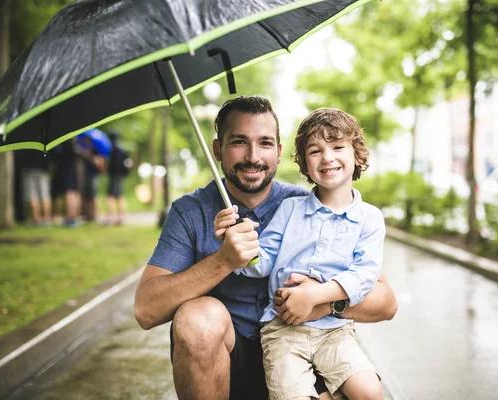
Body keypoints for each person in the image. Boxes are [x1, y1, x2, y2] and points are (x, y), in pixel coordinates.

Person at [134, 96, 398, 400]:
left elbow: (385, 301)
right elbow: (145, 310)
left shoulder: (310, 205)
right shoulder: (191, 211)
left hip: (309, 353)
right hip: (228, 361)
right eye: (238, 142)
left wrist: (319, 301)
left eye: (265, 143)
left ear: (280, 152)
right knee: (198, 317)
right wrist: (224, 260)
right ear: (218, 149)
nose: (253, 156)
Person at [214, 108, 384, 400]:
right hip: (283, 331)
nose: (327, 157)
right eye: (315, 150)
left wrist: (314, 296)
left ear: (357, 155)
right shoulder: (290, 208)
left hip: (335, 331)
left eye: (338, 147)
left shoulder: (369, 218)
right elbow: (263, 261)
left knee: (370, 392)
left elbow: (364, 275)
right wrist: (240, 248)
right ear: (305, 163)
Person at [19, 149, 52, 226]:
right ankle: (47, 219)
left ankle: (36, 219)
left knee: (33, 195)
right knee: (45, 195)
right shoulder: (44, 140)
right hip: (43, 169)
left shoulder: (26, 142)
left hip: (29, 169)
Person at [105, 131, 130, 226]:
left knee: (110, 197)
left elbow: (108, 164)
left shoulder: (110, 150)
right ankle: (121, 218)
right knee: (120, 196)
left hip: (113, 176)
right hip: (120, 176)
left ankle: (110, 218)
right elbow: (127, 164)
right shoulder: (123, 150)